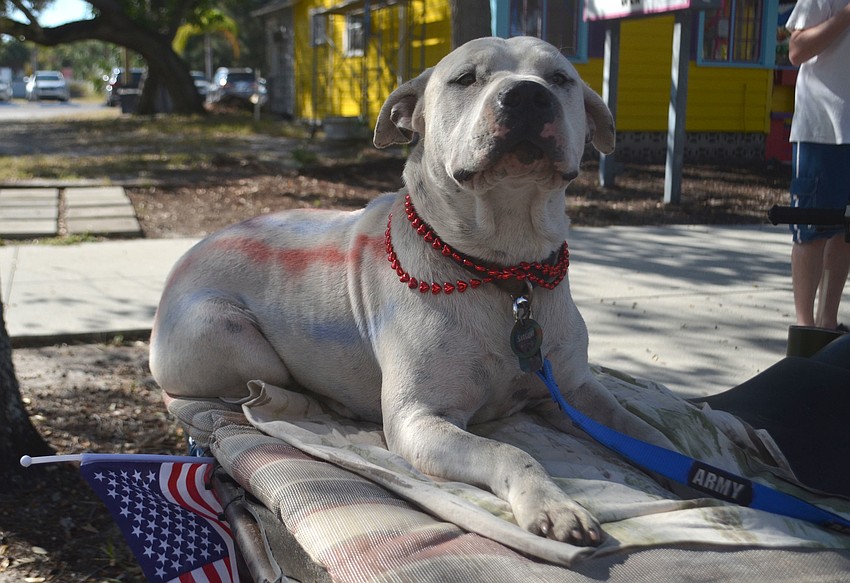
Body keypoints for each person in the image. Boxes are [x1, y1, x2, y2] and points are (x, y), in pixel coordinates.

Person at [786, 0, 850, 333]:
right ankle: (804, 331)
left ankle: (827, 325)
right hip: (821, 131)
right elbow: (795, 50)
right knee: (810, 232)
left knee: (845, 232)